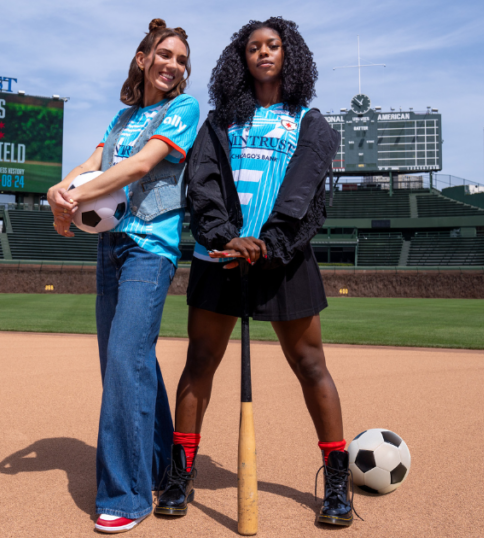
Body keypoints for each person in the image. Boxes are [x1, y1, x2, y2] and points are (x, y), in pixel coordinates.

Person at [155, 17, 357, 527]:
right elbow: (201, 185)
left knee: (311, 365)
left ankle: (337, 482)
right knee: (200, 361)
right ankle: (180, 474)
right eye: (253, 48)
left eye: (273, 46)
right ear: (240, 59)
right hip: (220, 257)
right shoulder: (220, 121)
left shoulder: (311, 122)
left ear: (290, 55)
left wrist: (268, 244)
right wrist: (226, 238)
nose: (263, 53)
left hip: (283, 259)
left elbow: (304, 194)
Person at [46, 18, 199, 534]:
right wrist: (57, 193)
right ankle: (160, 465)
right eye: (164, 54)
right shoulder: (125, 116)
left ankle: (126, 495)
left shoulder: (183, 109)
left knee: (122, 363)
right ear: (143, 58)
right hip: (110, 247)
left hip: (149, 250)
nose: (172, 64)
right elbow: (93, 161)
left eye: (180, 59)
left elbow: (138, 167)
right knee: (133, 363)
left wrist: (77, 197)